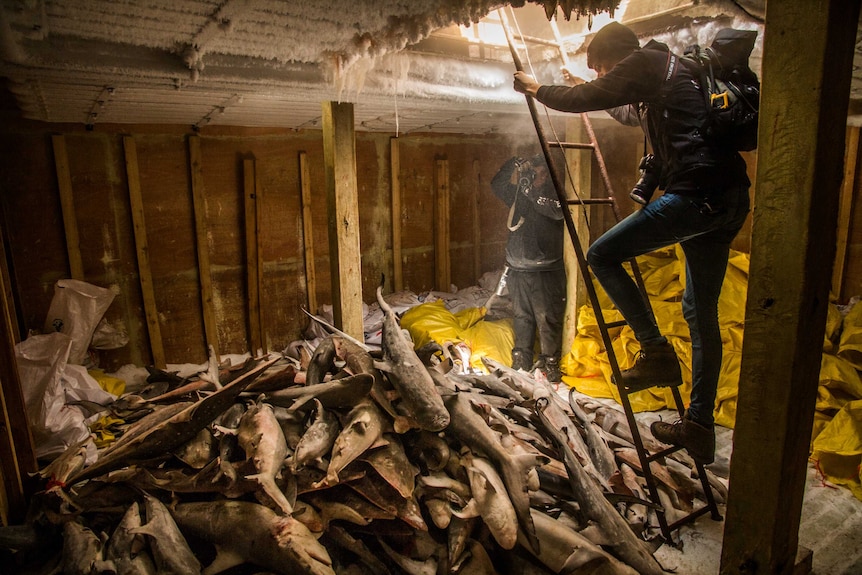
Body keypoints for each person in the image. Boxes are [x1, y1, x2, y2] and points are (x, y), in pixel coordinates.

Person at [513, 21, 751, 465]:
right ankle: (698, 425)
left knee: (601, 255)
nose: (602, 77)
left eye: (601, 68)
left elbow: (592, 98)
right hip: (728, 201)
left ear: (615, 57)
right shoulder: (670, 73)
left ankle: (655, 352)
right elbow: (626, 110)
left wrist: (537, 88)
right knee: (700, 314)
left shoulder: (646, 60)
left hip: (695, 196)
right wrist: (588, 84)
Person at [490, 154, 566, 384]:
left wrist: (531, 192)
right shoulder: (520, 194)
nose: (535, 177)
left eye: (540, 172)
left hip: (545, 270)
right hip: (518, 268)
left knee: (547, 318)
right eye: (533, 172)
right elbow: (497, 185)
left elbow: (558, 211)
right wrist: (512, 163)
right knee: (521, 316)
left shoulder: (554, 195)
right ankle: (521, 359)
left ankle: (550, 363)